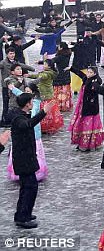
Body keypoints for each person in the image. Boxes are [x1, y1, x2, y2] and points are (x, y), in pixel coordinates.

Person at [8, 92, 45, 228]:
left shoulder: (21, 115)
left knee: (27, 187)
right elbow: (28, 125)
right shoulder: (19, 119)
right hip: (24, 159)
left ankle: (23, 214)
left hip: (26, 157)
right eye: (31, 101)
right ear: (27, 104)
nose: (32, 102)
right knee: (30, 187)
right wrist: (43, 112)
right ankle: (22, 217)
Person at [68, 66, 104, 151]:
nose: (88, 74)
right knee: (81, 124)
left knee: (88, 125)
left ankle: (88, 144)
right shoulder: (86, 78)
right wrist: (71, 68)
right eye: (88, 72)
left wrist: (96, 88)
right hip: (83, 105)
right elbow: (80, 74)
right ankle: (81, 142)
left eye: (90, 72)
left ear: (95, 73)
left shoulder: (95, 81)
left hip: (91, 108)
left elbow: (98, 87)